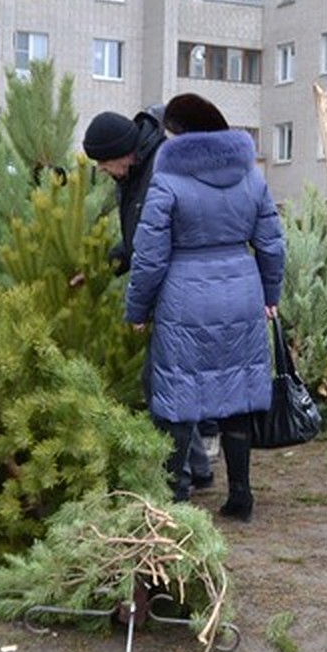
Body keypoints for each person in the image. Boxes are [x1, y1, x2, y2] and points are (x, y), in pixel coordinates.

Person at [124, 93, 286, 521]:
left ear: (176, 134)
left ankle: (175, 500)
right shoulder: (252, 178)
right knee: (237, 396)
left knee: (177, 396)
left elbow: (150, 256)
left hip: (185, 299)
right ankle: (241, 496)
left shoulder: (168, 180)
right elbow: (271, 243)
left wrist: (137, 309)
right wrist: (271, 296)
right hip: (242, 294)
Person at [82, 107, 217, 493]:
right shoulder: (136, 171)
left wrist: (138, 308)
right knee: (168, 383)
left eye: (104, 164)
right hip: (175, 290)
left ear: (123, 151)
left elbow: (158, 247)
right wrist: (103, 266)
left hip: (188, 291)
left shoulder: (163, 170)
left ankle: (175, 487)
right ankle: (197, 471)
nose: (104, 172)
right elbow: (139, 239)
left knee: (165, 384)